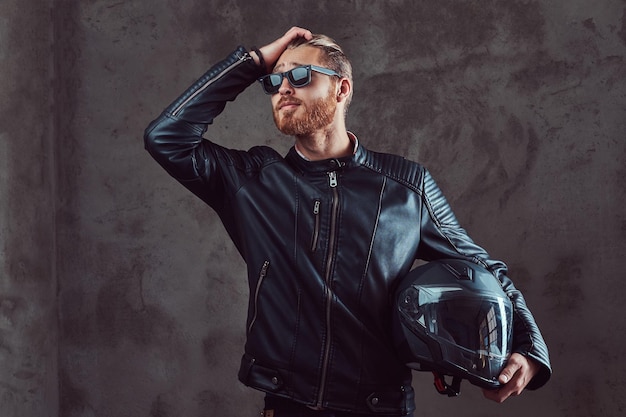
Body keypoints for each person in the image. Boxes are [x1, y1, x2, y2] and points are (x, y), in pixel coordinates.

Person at [144, 26, 551, 417]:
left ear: (341, 89)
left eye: (300, 76)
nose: (282, 88)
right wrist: (252, 64)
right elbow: (166, 136)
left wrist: (530, 350)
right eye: (274, 82)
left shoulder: (406, 186)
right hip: (287, 404)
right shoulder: (251, 180)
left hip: (380, 406)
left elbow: (484, 270)